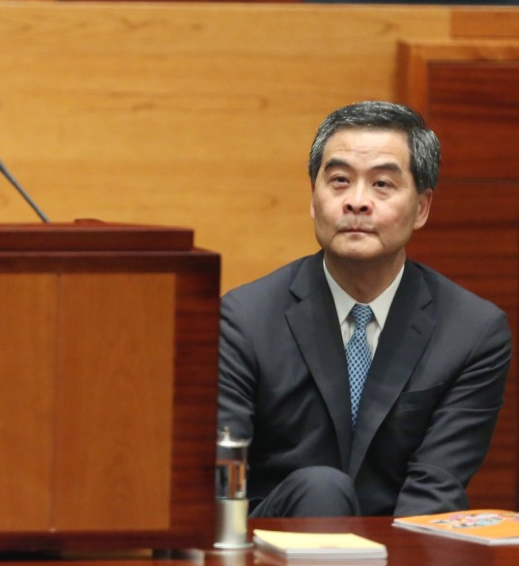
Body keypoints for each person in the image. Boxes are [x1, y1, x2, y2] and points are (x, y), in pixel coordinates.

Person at [217, 100, 511, 517]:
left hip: (398, 549)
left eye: (382, 185)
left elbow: (434, 491)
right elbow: (222, 486)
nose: (357, 202)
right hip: (274, 543)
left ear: (422, 207)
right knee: (322, 489)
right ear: (313, 200)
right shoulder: (244, 319)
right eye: (339, 180)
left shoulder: (472, 332)